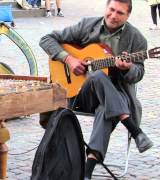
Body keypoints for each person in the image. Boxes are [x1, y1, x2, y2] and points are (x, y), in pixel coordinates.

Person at [39, 0, 153, 179]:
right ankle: (134, 130)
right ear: (106, 7)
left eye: (120, 13)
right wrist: (69, 59)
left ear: (128, 15)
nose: (114, 16)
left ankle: (87, 171)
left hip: (117, 96)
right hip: (82, 94)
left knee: (105, 110)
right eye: (112, 10)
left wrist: (127, 68)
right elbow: (46, 39)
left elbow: (138, 73)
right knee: (97, 75)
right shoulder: (87, 25)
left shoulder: (136, 38)